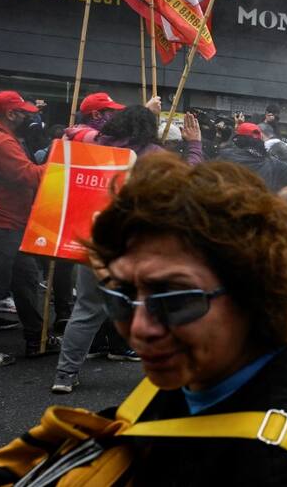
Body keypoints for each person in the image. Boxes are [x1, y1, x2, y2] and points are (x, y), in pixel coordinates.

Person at [0, 153, 287, 486]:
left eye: (175, 299)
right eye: (121, 295)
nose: (140, 330)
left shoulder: (259, 468)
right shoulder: (268, 353)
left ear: (256, 291)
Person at [52, 105, 202, 393]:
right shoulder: (153, 157)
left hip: (95, 239)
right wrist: (194, 144)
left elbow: (73, 132)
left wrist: (135, 115)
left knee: (86, 309)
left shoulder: (93, 144)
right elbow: (188, 180)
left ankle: (64, 375)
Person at [0, 91, 59, 366]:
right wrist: (56, 162)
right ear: (11, 113)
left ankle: (36, 337)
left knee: (26, 280)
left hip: (5, 221)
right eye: (24, 111)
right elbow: (27, 175)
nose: (30, 115)